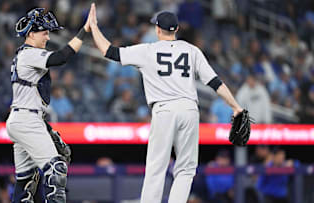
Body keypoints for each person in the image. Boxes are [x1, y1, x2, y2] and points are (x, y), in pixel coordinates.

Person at [87, 4, 245, 203]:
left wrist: (94, 27)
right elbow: (215, 82)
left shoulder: (148, 50)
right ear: (177, 30)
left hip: (164, 110)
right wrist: (235, 106)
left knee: (156, 168)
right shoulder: (192, 50)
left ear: (157, 29)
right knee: (186, 170)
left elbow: (109, 52)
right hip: (189, 109)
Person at [6, 6, 93, 202]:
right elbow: (61, 57)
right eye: (44, 33)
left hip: (25, 118)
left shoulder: (25, 54)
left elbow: (31, 100)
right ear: (31, 34)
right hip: (26, 119)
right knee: (56, 168)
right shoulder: (29, 53)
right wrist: (84, 31)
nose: (47, 37)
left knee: (25, 183)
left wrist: (46, 128)